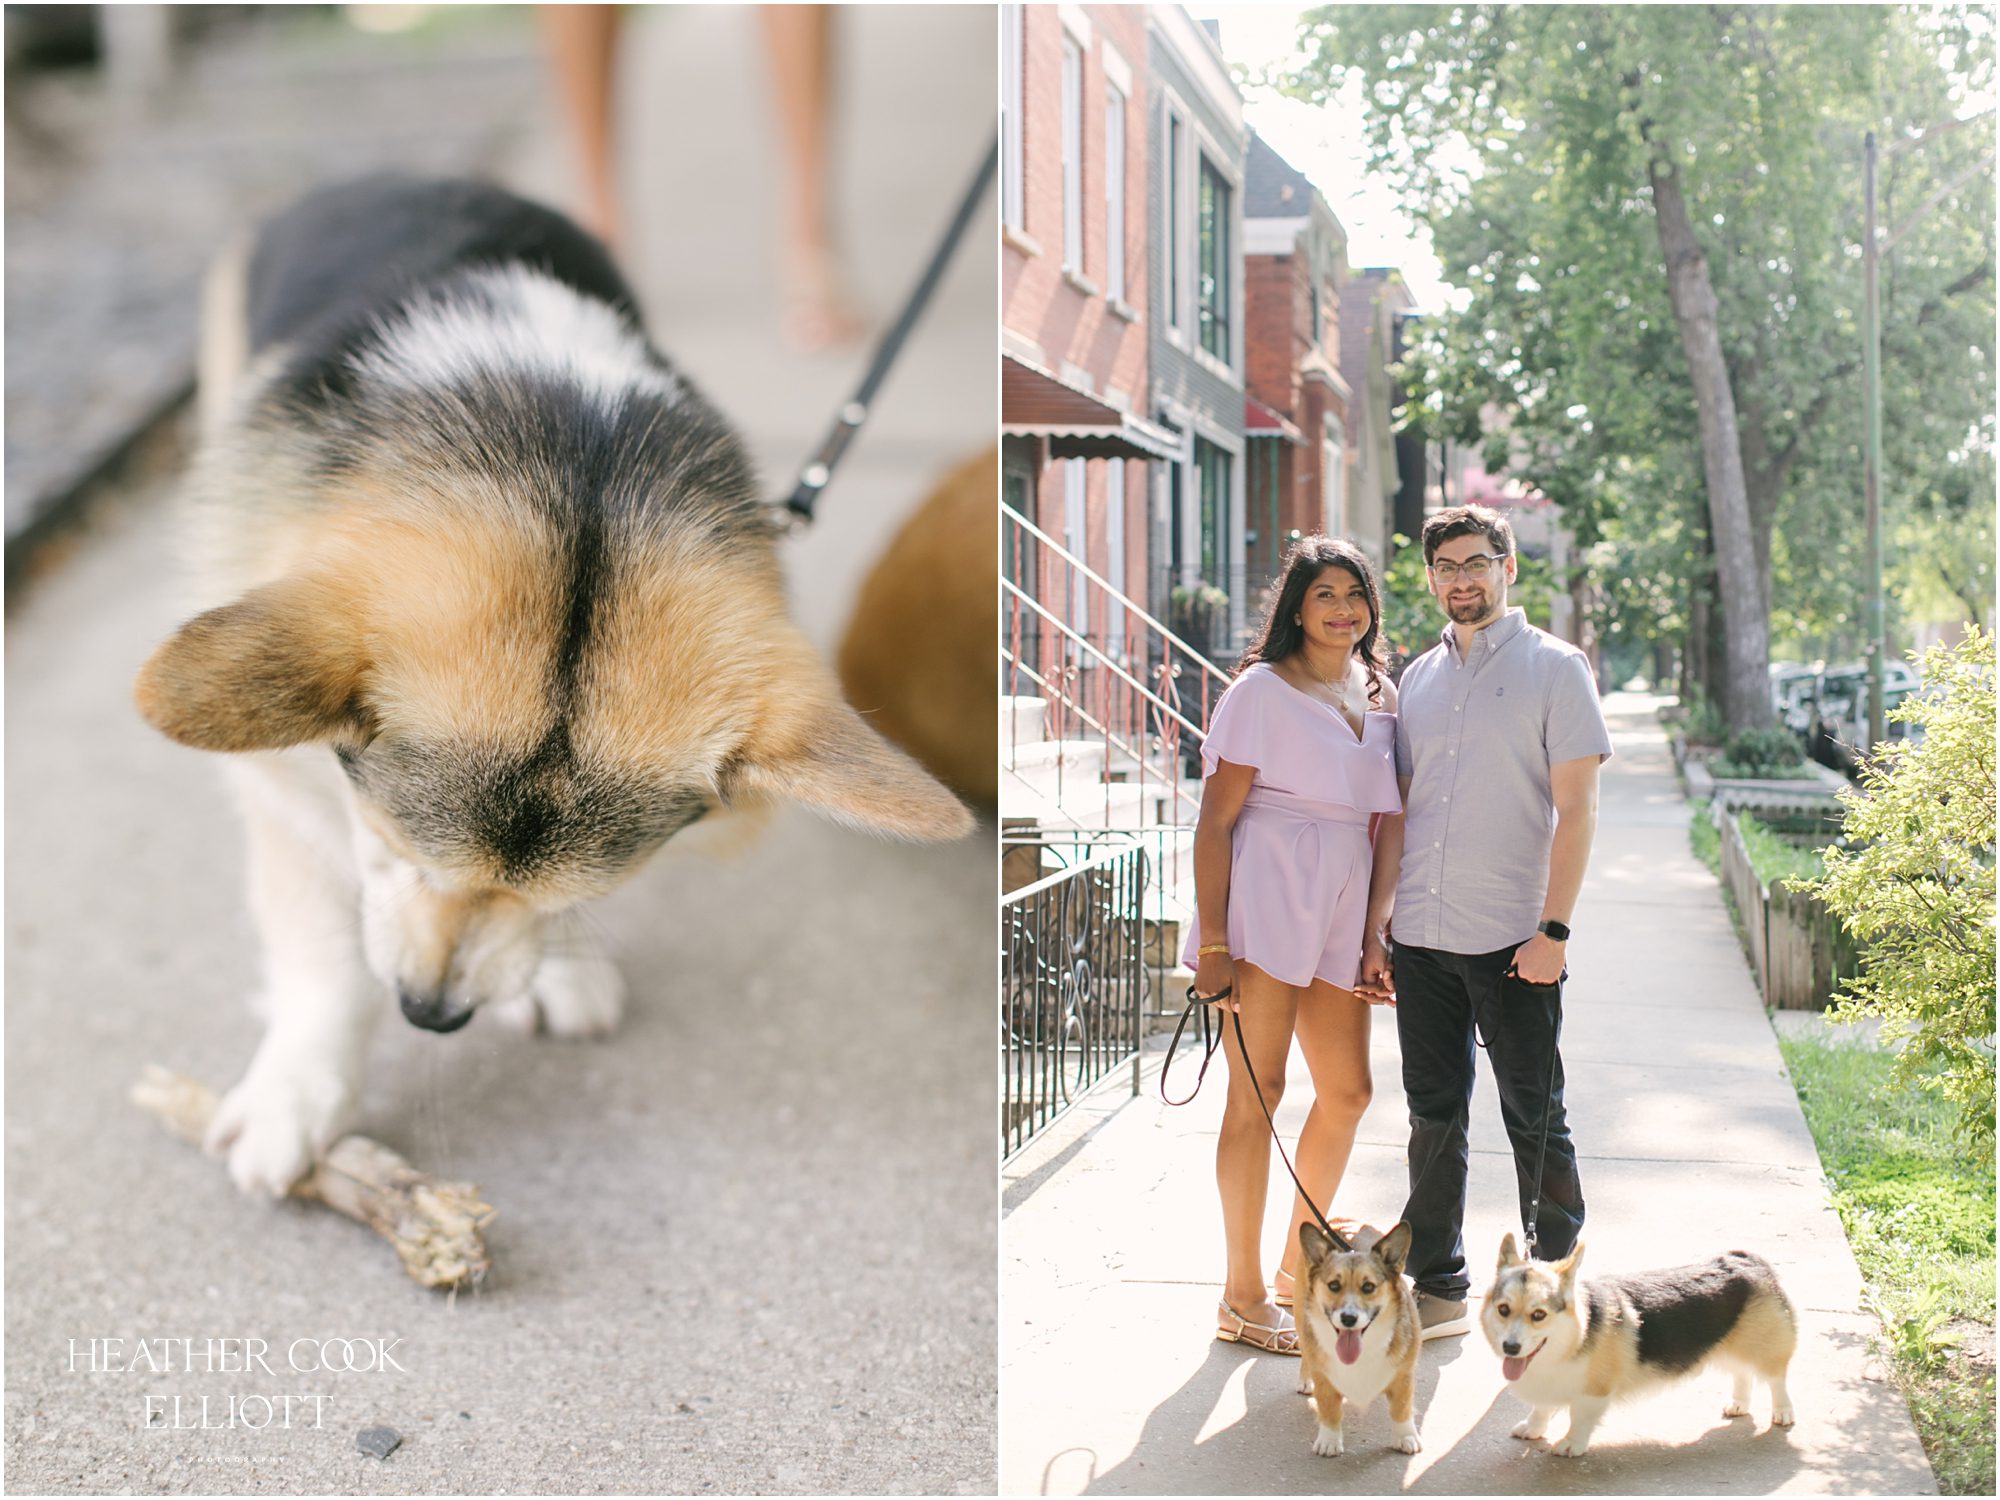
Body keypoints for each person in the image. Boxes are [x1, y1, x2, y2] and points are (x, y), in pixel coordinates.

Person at [1361, 504, 1612, 1340]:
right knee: (1433, 1117)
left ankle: (1554, 1288)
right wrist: (1383, 928)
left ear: (1508, 568)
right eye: (1445, 568)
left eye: (1477, 563)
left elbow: (1576, 811)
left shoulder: (1556, 668)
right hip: (1423, 940)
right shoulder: (1415, 680)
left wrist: (1556, 932)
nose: (1461, 580)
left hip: (1515, 942)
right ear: (1429, 578)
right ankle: (1438, 1284)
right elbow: (1399, 810)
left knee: (1535, 1116)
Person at [1183, 537, 1405, 1354]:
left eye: (1355, 593)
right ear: (1297, 608)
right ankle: (1240, 1296)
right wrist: (1214, 943)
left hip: (1344, 904)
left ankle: (1292, 1270)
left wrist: (1377, 927)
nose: (1342, 607)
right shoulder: (1259, 693)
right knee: (1260, 1091)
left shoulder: (1380, 691)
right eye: (1325, 594)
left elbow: (1390, 821)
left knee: (1347, 1093)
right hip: (1270, 893)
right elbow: (1216, 819)